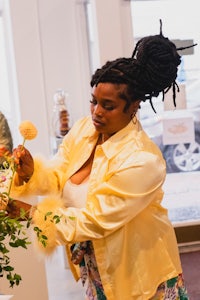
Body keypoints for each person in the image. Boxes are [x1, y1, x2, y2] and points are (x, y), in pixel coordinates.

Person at [9, 22, 191, 300]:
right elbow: (60, 172)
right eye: (93, 101)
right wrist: (33, 172)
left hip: (140, 276)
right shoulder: (85, 130)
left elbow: (94, 219)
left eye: (108, 106)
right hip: (97, 268)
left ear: (133, 107)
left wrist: (33, 213)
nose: (96, 113)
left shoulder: (143, 160)